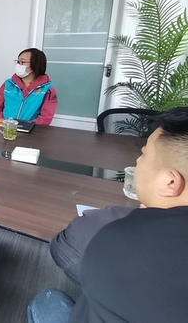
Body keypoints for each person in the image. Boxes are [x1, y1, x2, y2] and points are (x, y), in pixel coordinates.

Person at [28, 107, 188, 323]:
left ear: (171, 181)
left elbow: (63, 247)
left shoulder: (115, 235)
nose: (137, 161)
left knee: (46, 300)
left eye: (143, 154)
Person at [0, 48, 57, 125]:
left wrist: (25, 126)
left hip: (31, 130)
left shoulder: (47, 89)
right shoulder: (8, 84)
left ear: (36, 64)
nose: (19, 65)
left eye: (23, 62)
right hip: (5, 128)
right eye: (18, 62)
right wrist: (4, 124)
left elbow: (46, 118)